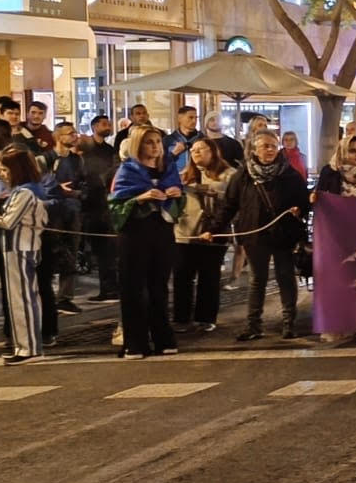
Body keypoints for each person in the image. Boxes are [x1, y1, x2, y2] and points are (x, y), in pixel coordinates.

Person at [209, 131, 310, 341]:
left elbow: (304, 202)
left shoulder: (289, 174)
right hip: (255, 235)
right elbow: (229, 205)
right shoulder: (243, 175)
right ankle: (253, 324)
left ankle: (288, 322)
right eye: (265, 146)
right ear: (254, 150)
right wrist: (215, 228)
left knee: (286, 277)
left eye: (273, 146)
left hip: (283, 234)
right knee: (257, 280)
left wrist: (299, 209)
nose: (270, 150)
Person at [110, 126, 182, 358]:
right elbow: (115, 205)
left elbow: (179, 204)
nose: (155, 146)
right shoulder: (127, 170)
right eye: (149, 142)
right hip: (134, 234)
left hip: (162, 232)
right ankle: (135, 342)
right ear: (138, 145)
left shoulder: (169, 169)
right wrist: (141, 197)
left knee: (159, 287)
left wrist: (176, 194)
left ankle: (163, 338)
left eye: (158, 141)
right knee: (133, 288)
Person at [0, 146, 50, 364]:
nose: (3, 174)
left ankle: (28, 348)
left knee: (22, 299)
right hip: (24, 247)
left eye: (5, 170)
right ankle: (26, 346)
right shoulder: (33, 190)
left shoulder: (24, 192)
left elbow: (7, 221)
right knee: (25, 298)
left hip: (19, 248)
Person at [173, 139, 236, 333]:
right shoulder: (184, 175)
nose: (196, 153)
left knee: (209, 276)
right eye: (193, 150)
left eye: (201, 149)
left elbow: (230, 196)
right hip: (185, 233)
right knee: (182, 276)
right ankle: (181, 318)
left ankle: (205, 318)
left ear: (213, 151)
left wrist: (200, 189)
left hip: (213, 232)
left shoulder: (229, 175)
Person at [75, 115, 122, 305]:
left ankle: (110, 288)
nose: (108, 126)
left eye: (109, 124)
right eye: (104, 124)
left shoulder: (110, 151)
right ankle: (108, 287)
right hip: (91, 204)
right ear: (94, 126)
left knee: (107, 250)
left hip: (104, 205)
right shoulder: (84, 153)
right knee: (99, 249)